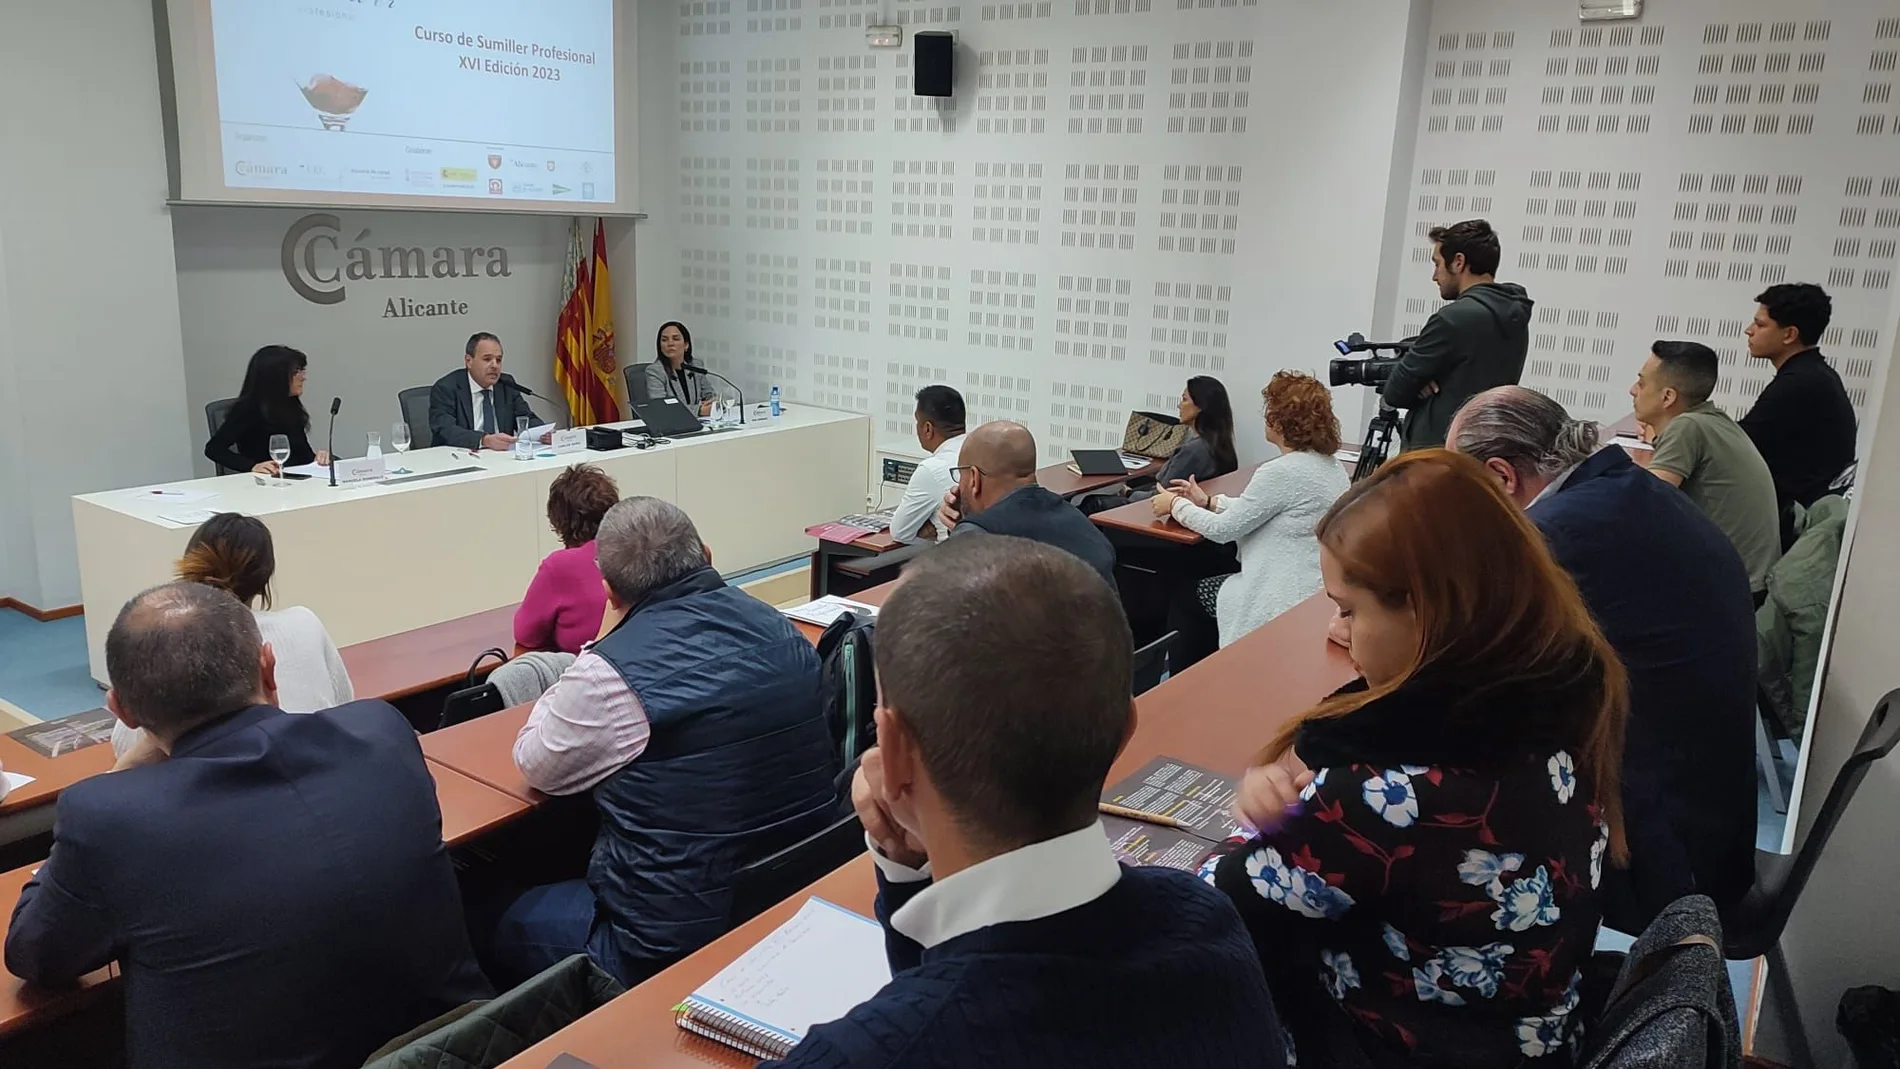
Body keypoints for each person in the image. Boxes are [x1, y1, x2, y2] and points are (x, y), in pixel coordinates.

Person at [767, 536, 1287, 1068]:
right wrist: (908, 870)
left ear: (892, 751)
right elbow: (955, 991)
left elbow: (944, 1013)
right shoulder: (1206, 920)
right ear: (1126, 728)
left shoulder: (853, 1055)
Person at [1211, 450, 1626, 1068]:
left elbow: (1238, 907)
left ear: (1429, 610)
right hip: (1534, 1038)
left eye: (1351, 608)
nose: (1340, 629)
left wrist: (1273, 811)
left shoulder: (1385, 797)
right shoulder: (1564, 703)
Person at [6, 582, 491, 1069]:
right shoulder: (381, 731)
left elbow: (34, 955)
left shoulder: (109, 818)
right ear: (269, 665)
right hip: (461, 1050)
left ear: (123, 712)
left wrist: (120, 774)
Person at [489, 497, 838, 987]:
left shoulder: (609, 676)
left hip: (667, 942)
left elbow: (535, 760)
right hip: (789, 898)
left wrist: (597, 645)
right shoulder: (786, 629)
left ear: (610, 593)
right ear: (708, 556)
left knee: (488, 907)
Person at [1450, 387, 1756, 932]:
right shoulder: (1625, 489)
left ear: (1501, 477)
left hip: (1659, 852)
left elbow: (1463, 657)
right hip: (1711, 821)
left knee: (1428, 819)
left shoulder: (1561, 531)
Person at [110, 512, 353, 762]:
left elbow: (124, 742)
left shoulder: (167, 643)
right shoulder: (304, 623)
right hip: (311, 765)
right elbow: (343, 703)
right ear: (264, 580)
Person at [1154, 371, 1350, 667]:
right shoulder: (1330, 467)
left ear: (1281, 419)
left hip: (1275, 597)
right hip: (1310, 593)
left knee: (1187, 598)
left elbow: (1222, 531)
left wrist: (1176, 505)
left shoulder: (1280, 472)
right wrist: (1208, 501)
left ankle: (1186, 688)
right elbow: (1260, 511)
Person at [1630, 340, 1781, 598]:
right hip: (1749, 580)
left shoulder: (1687, 427)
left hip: (1730, 590)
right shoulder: (1711, 420)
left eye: (1642, 383)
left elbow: (1645, 505)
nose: (1633, 390)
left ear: (1668, 397)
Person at [1380, 219, 1534, 450]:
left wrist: (1419, 383)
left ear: (1458, 262)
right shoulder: (1515, 316)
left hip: (1437, 454)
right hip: (1481, 449)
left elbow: (1395, 392)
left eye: (1437, 264)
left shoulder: (1452, 318)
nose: (1434, 276)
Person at [1739, 283, 1858, 548]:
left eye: (1760, 325)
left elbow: (1736, 445)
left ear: (1789, 334)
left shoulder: (1799, 383)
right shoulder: (1814, 374)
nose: (1749, 330)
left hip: (1793, 521)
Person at [933, 421, 1117, 588]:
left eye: (960, 474)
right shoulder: (1083, 525)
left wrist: (963, 535)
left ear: (974, 478)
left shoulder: (979, 536)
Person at [1081, 376, 1240, 514]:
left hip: (1156, 512)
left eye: (1184, 399)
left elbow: (1161, 494)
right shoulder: (1218, 444)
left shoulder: (1193, 451)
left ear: (1201, 407)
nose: (1179, 405)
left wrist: (1129, 493)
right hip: (1183, 509)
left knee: (1092, 503)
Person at [515, 464, 619, 655]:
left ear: (558, 520)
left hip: (588, 674)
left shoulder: (560, 566)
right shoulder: (636, 547)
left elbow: (525, 634)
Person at [204, 344, 332, 475]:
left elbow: (301, 454)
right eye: (295, 372)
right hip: (266, 484)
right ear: (276, 377)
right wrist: (252, 466)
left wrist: (317, 459)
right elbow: (214, 449)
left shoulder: (290, 405)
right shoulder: (248, 409)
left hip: (296, 479)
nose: (303, 377)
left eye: (302, 370)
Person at [427, 331, 540, 450]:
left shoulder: (506, 384)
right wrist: (484, 440)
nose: (494, 365)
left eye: (498, 360)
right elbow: (445, 429)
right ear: (468, 361)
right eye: (487, 359)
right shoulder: (446, 387)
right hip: (459, 457)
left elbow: (526, 417)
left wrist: (542, 432)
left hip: (503, 458)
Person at [888, 384, 967, 544]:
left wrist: (930, 525)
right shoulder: (984, 451)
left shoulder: (931, 469)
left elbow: (900, 532)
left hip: (952, 561)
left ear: (928, 429)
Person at [642, 320, 715, 416]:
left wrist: (712, 403)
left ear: (686, 345)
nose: (670, 343)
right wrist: (698, 410)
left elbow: (710, 395)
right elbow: (661, 407)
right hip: (671, 427)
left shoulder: (695, 366)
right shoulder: (655, 371)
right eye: (664, 340)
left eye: (675, 339)